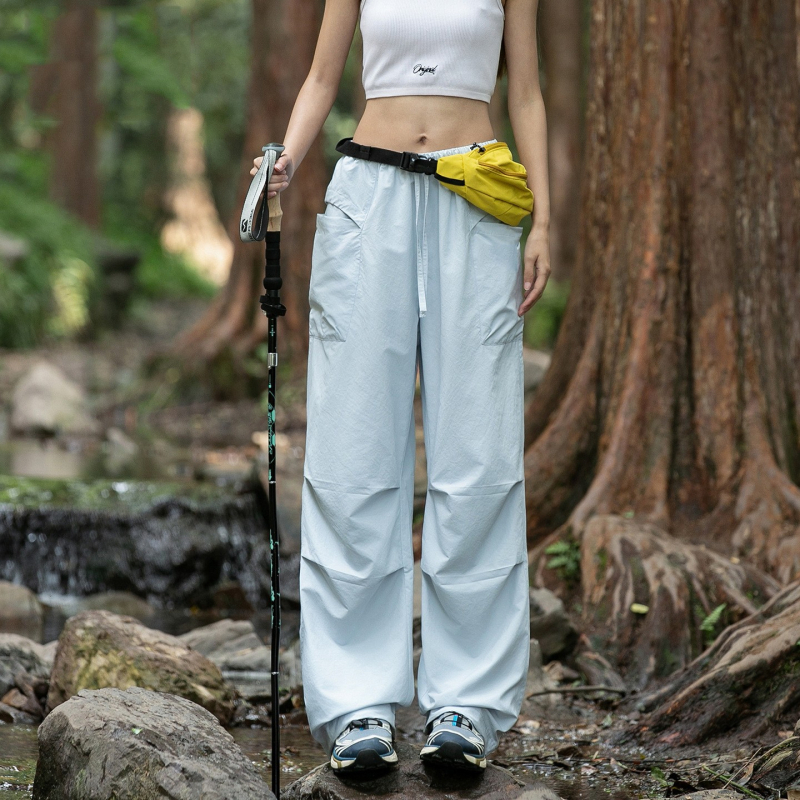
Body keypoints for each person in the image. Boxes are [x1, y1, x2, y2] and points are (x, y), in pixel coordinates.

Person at [251, 0, 550, 775]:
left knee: (478, 456)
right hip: (368, 200)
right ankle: (359, 707)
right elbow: (322, 77)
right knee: (353, 455)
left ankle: (465, 707)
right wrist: (287, 159)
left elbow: (526, 92)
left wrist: (545, 221)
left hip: (477, 198)